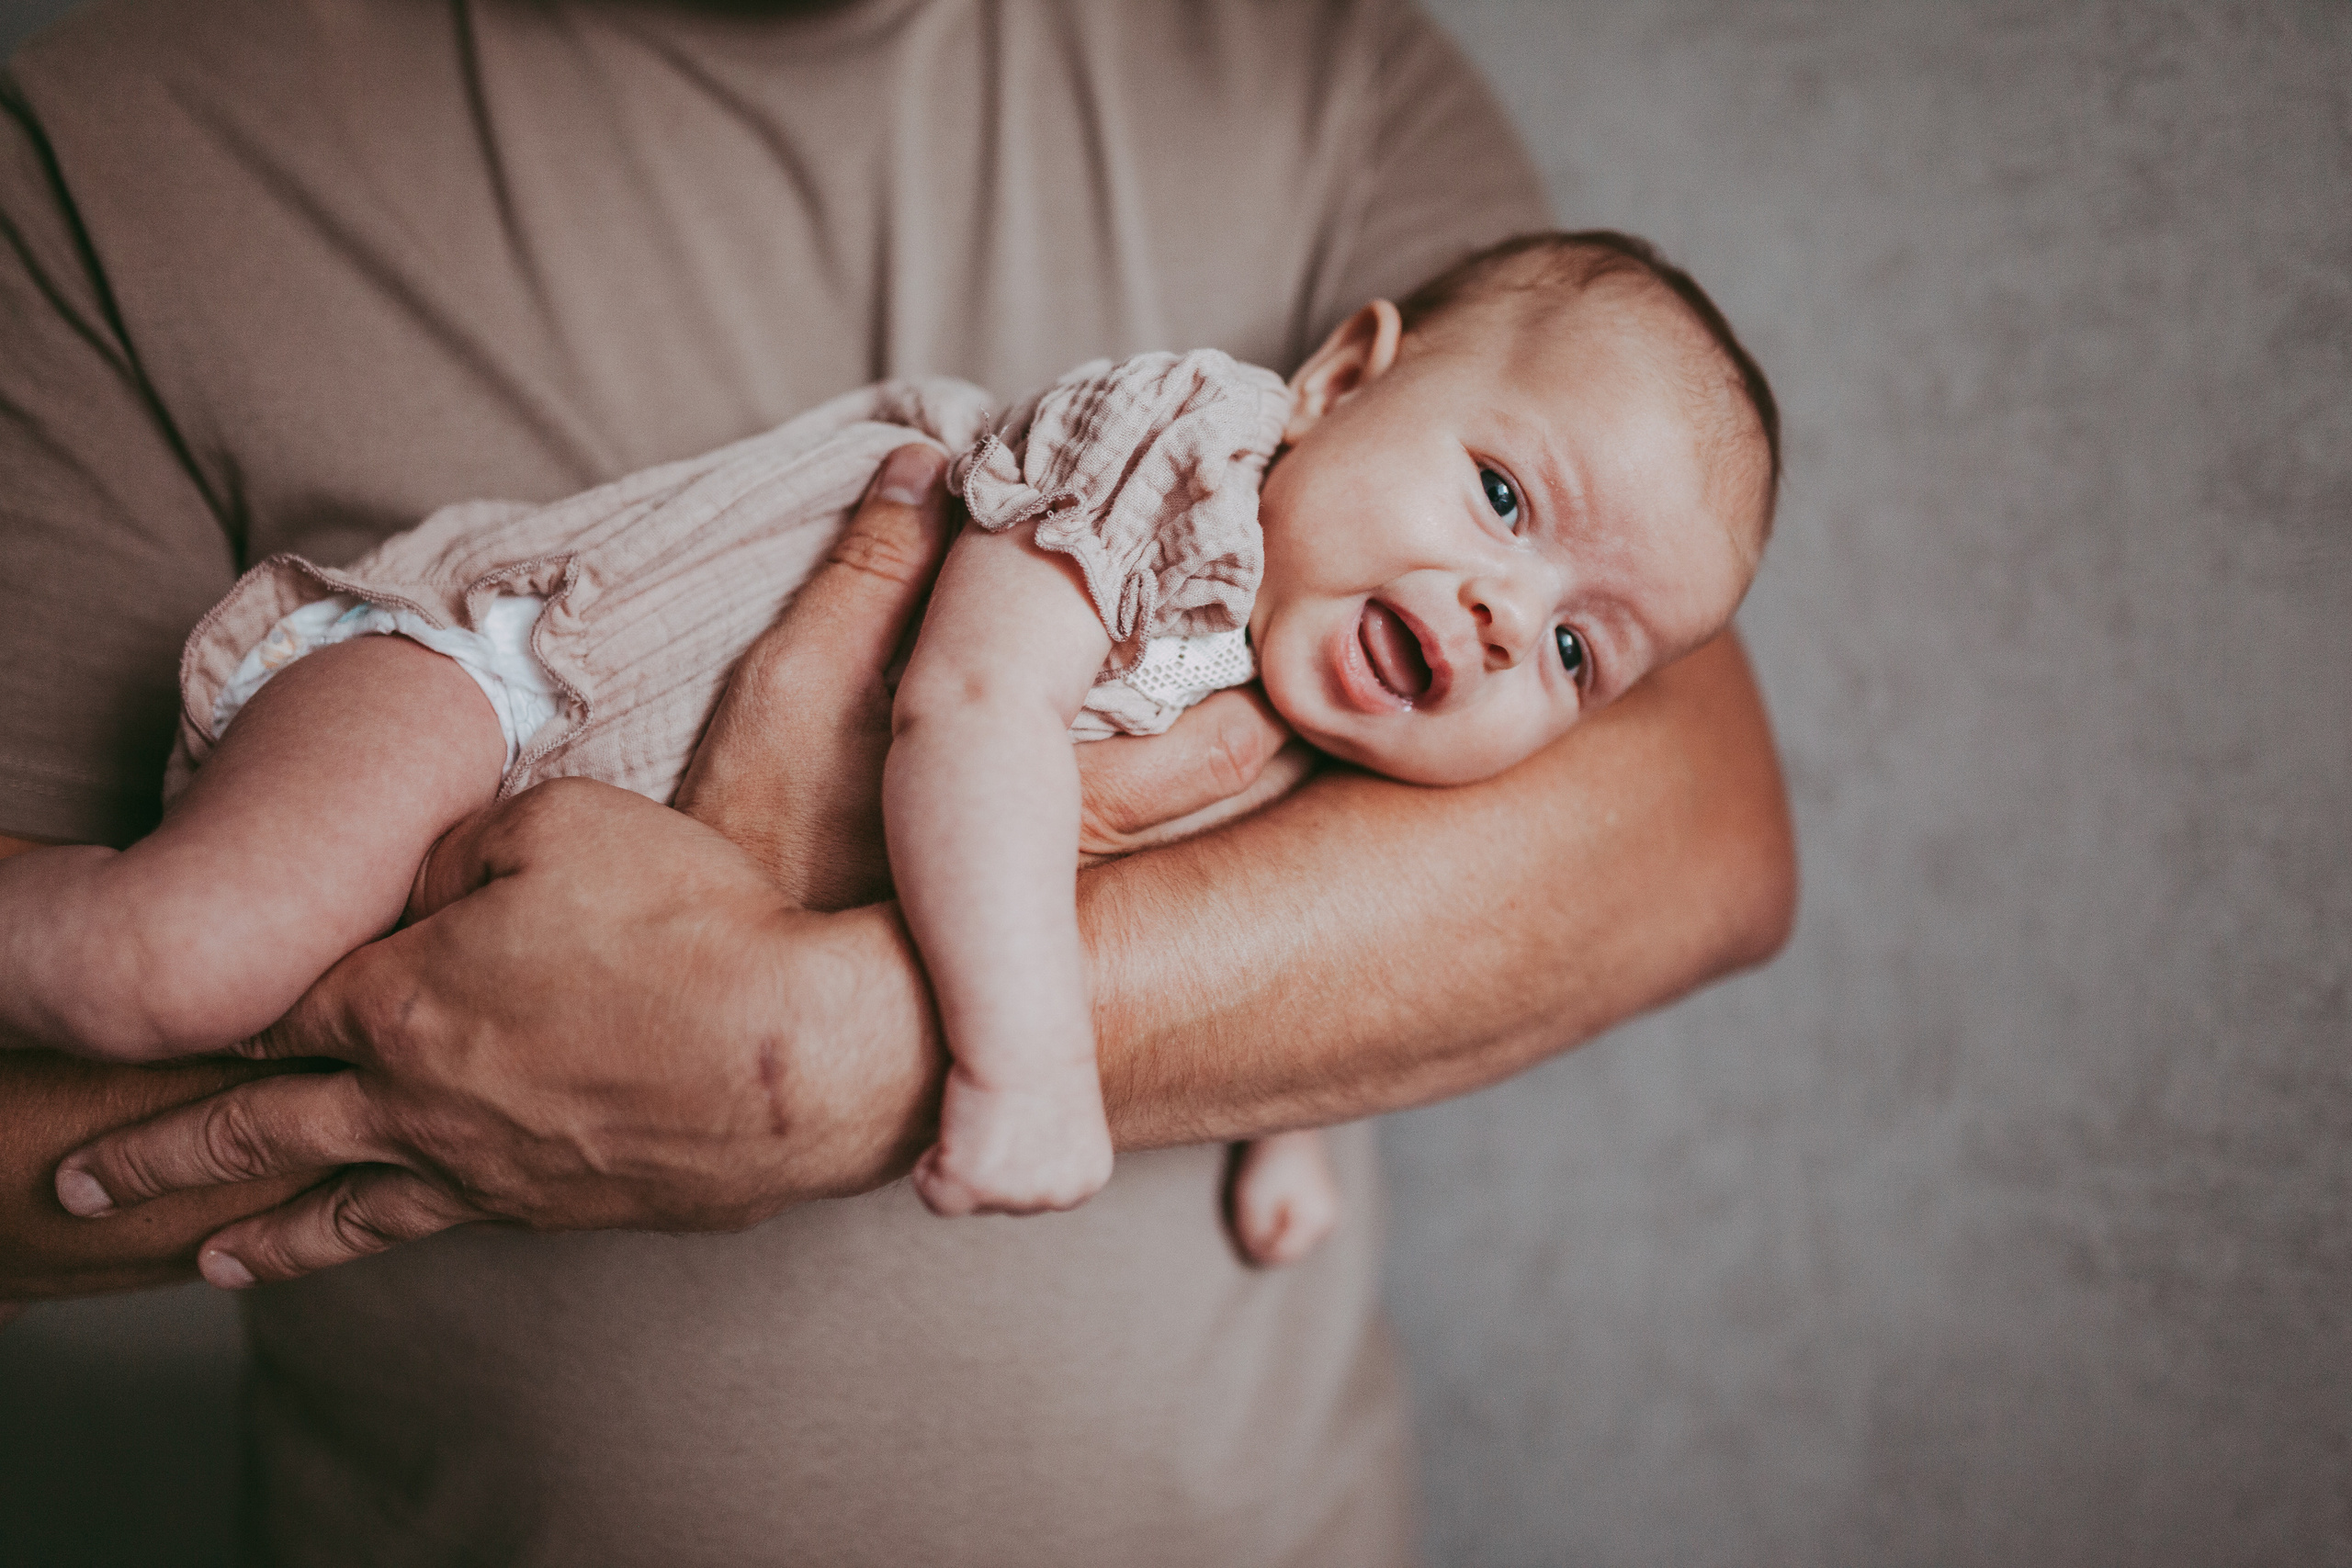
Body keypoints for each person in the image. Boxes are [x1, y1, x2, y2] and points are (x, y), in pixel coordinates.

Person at [0, 2, 1795, 1562]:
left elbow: (1659, 837)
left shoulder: (1326, 80)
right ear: (1336, 376)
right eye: (1499, 500)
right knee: (168, 963)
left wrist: (1284, 1105)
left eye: (1577, 652)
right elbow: (973, 703)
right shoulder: (1181, 455)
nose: (1502, 621)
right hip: (494, 676)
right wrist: (1005, 1062)